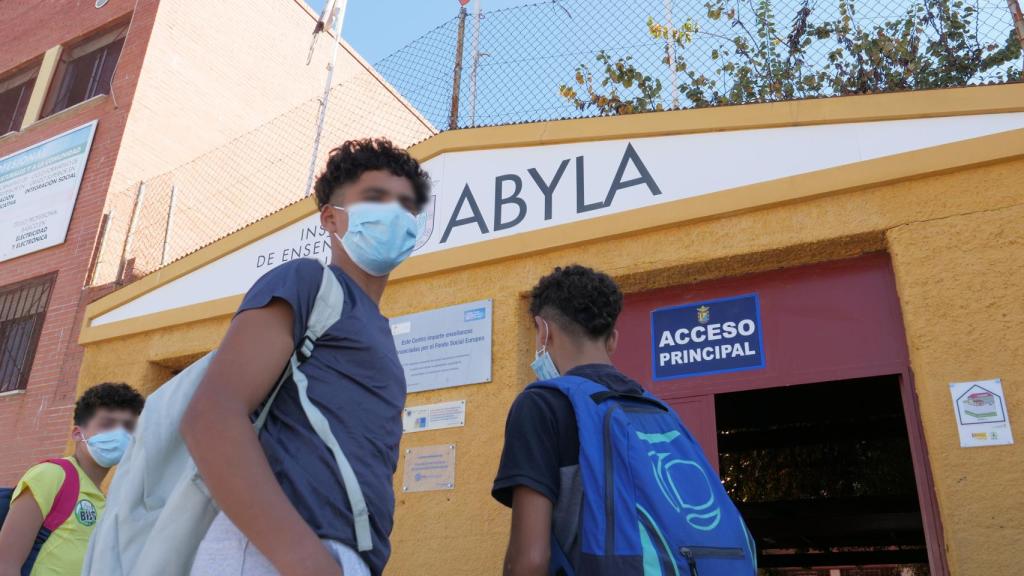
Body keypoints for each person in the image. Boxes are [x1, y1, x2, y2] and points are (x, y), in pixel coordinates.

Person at [183, 138, 430, 576]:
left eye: (406, 203)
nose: (395, 213)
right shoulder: (306, 281)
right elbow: (211, 415)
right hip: (279, 553)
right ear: (331, 219)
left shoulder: (380, 330)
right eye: (375, 197)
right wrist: (304, 559)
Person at [492, 265, 631, 575]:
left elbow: (530, 560)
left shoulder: (543, 404)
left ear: (544, 330)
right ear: (613, 340)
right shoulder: (652, 409)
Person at [0, 382, 144, 576]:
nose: (119, 434)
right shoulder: (52, 475)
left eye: (128, 427)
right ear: (77, 433)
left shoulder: (106, 502)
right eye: (107, 424)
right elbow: (5, 564)